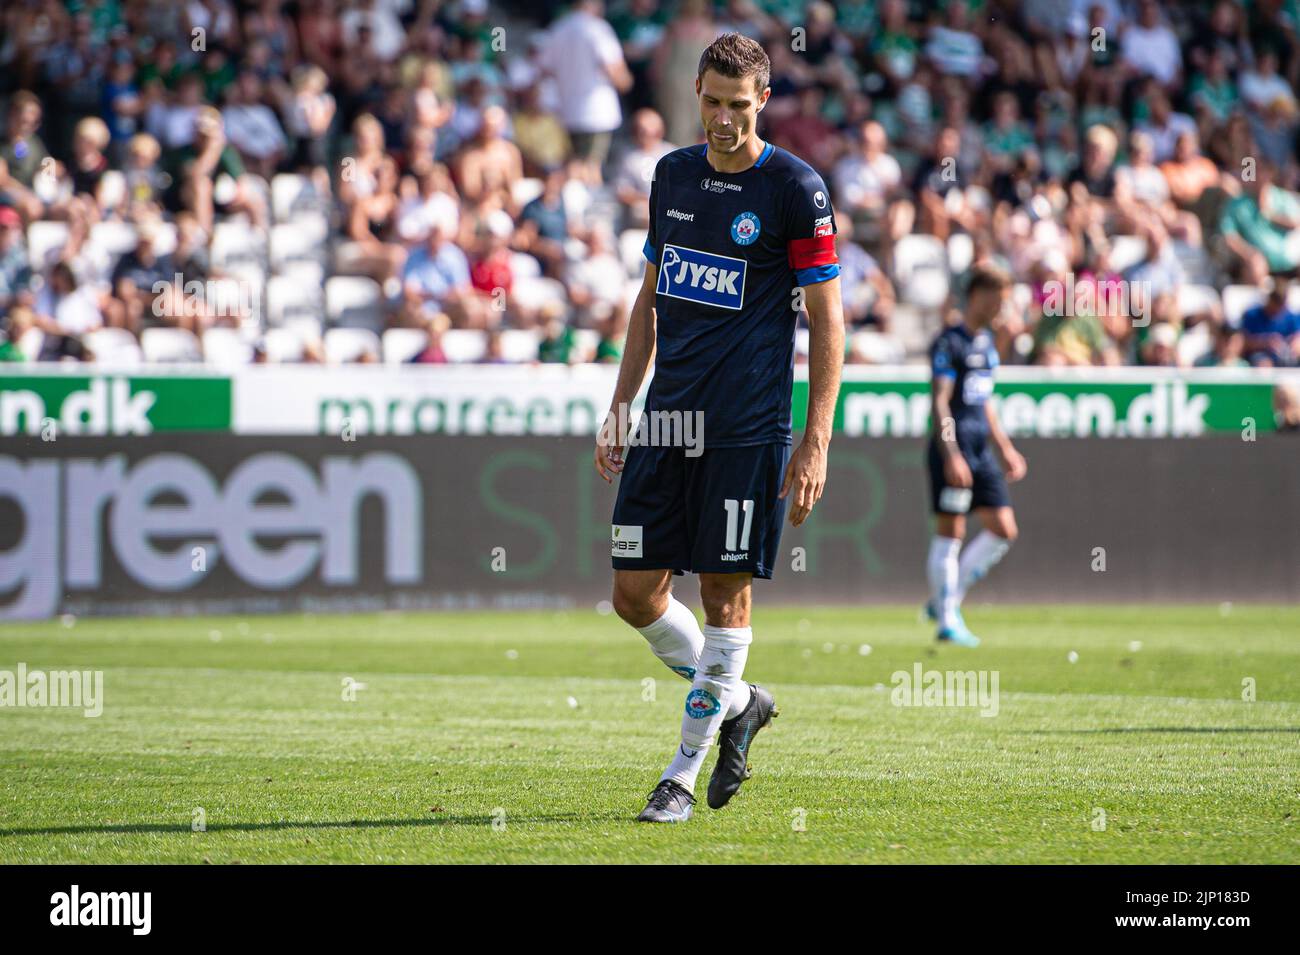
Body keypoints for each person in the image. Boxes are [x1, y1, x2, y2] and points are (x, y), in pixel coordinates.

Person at [593, 34, 844, 824]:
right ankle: (738, 703)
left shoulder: (795, 189)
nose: (724, 118)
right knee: (633, 595)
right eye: (711, 101)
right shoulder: (671, 175)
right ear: (696, 93)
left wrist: (816, 437)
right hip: (668, 420)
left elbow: (829, 321)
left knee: (723, 595)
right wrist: (622, 401)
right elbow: (649, 302)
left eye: (739, 105)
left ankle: (679, 774)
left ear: (762, 100)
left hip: (746, 425)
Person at [924, 265, 1027, 647]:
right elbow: (940, 401)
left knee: (1004, 529)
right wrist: (950, 452)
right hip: (955, 449)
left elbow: (984, 403)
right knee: (952, 532)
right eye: (998, 299)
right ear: (979, 296)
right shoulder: (948, 342)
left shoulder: (986, 343)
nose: (1002, 307)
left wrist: (1005, 449)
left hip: (982, 450)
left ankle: (944, 600)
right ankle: (947, 619)